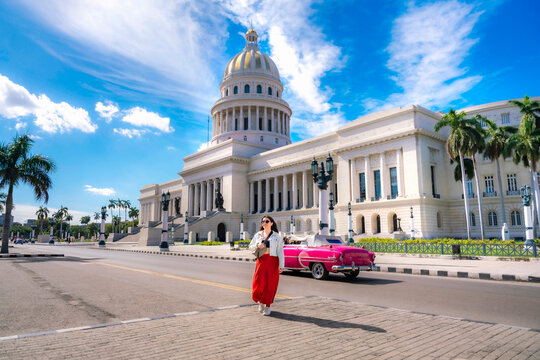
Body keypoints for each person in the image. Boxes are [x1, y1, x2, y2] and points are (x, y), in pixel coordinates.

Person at [249, 215, 284, 316]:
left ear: (271, 223)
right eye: (262, 221)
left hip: (273, 261)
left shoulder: (277, 236)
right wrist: (257, 245)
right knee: (258, 283)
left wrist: (281, 265)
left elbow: (280, 252)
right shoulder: (258, 235)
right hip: (261, 261)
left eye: (266, 221)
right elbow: (250, 246)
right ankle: (260, 301)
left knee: (270, 285)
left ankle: (267, 306)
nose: (264, 223)